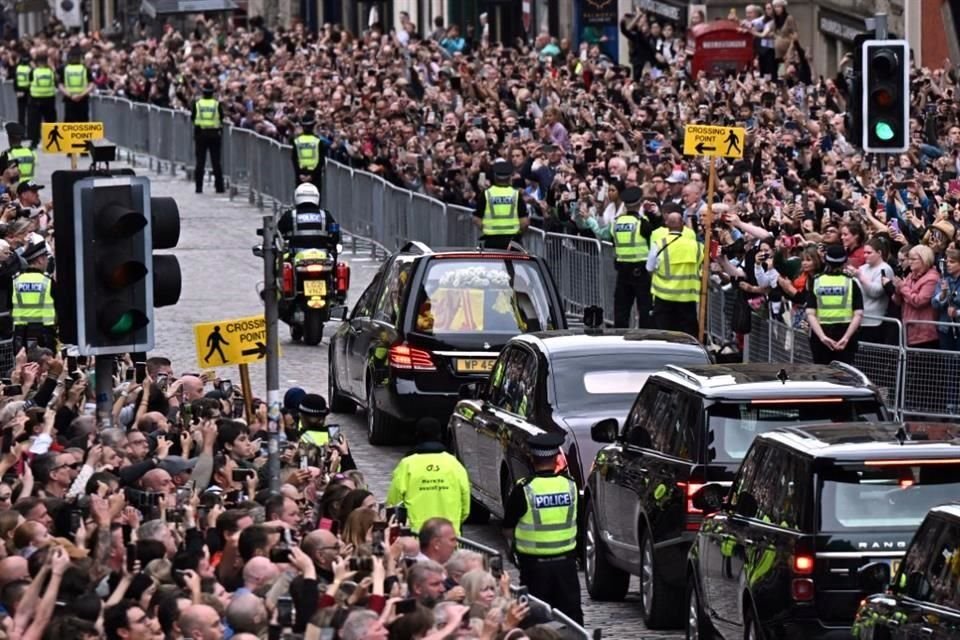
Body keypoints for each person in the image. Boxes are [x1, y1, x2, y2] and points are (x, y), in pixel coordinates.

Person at [501, 432, 582, 625]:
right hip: (567, 566)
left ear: (531, 458)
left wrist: (514, 547)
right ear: (556, 459)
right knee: (571, 621)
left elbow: (507, 528)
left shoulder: (524, 489)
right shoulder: (570, 486)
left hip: (534, 567)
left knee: (534, 621)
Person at [386, 418, 470, 535]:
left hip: (416, 537)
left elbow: (394, 503)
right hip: (449, 537)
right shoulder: (454, 464)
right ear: (440, 436)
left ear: (417, 435)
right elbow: (465, 506)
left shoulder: (407, 465)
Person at [596, 187, 658, 328]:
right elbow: (655, 239)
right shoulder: (643, 222)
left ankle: (620, 338)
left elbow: (609, 238)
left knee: (621, 309)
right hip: (641, 270)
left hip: (622, 270)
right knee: (645, 307)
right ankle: (645, 337)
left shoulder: (616, 222)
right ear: (639, 204)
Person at [806, 245, 864, 365]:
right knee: (845, 378)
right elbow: (858, 314)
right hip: (845, 334)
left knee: (822, 378)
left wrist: (822, 338)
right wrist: (846, 338)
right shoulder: (851, 282)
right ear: (845, 262)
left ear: (826, 260)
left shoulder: (816, 282)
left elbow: (810, 313)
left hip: (821, 334)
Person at [647, 210, 702, 337]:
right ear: (683, 225)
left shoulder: (659, 245)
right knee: (688, 336)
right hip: (687, 298)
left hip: (663, 298)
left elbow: (649, 268)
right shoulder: (696, 246)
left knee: (665, 336)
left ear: (667, 226)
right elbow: (703, 264)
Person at [11, 239, 55, 351]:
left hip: (20, 333)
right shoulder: (48, 281)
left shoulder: (16, 280)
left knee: (23, 365)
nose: (47, 262)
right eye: (46, 258)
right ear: (40, 260)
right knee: (45, 366)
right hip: (44, 333)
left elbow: (9, 305)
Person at [473, 161, 528, 250]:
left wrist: (485, 228)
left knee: (492, 263)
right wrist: (520, 234)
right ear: (510, 177)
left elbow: (476, 218)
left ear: (495, 176)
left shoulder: (486, 194)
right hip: (512, 241)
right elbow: (524, 223)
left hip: (490, 241)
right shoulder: (516, 194)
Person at [277, 183, 341, 258]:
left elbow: (278, 233)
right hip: (322, 258)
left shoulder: (289, 215)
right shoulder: (326, 215)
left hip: (296, 258)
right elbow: (336, 236)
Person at [191, 82, 225, 194]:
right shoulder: (216, 104)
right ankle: (219, 187)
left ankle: (198, 187)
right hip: (215, 134)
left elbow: (193, 118)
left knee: (200, 162)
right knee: (216, 162)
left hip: (201, 134)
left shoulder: (197, 103)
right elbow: (221, 117)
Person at [27, 53, 58, 149]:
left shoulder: (33, 71)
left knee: (35, 122)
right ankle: (51, 143)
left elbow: (29, 82)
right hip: (49, 99)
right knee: (50, 121)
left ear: (37, 62)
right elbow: (56, 81)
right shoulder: (51, 72)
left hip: (35, 99)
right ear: (46, 61)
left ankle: (34, 142)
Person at [291, 110, 326, 189]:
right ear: (313, 126)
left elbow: (294, 159)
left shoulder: (297, 141)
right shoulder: (318, 141)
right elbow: (321, 160)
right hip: (315, 176)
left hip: (300, 175)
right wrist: (312, 175)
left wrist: (300, 174)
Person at [59, 48, 94, 123]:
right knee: (82, 124)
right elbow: (91, 85)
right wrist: (80, 95)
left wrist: (71, 95)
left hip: (72, 99)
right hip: (81, 99)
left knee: (71, 124)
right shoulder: (85, 68)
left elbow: (60, 85)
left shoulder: (65, 68)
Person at [13, 53, 32, 128]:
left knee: (21, 113)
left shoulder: (17, 68)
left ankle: (21, 133)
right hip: (29, 92)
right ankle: (30, 132)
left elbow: (15, 81)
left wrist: (16, 91)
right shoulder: (30, 68)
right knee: (30, 113)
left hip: (20, 92)